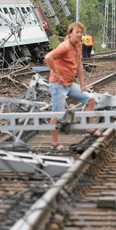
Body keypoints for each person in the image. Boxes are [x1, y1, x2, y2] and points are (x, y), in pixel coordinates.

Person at [44, 22, 97, 151]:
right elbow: (48, 57)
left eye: (81, 32)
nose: (79, 35)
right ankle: (55, 143)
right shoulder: (65, 47)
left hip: (69, 84)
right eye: (77, 32)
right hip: (58, 84)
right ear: (70, 34)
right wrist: (56, 73)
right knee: (57, 113)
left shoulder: (79, 45)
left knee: (90, 99)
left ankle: (90, 130)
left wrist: (83, 84)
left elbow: (79, 65)